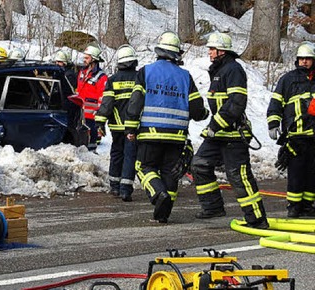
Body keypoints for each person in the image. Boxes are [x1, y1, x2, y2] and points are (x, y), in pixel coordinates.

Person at [125, 31, 209, 223]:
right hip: (177, 137)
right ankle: (163, 213)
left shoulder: (146, 72)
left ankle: (157, 193)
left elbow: (135, 102)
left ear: (159, 51)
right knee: (170, 171)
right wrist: (204, 114)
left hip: (151, 133)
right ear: (177, 54)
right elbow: (197, 110)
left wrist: (130, 129)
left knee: (144, 166)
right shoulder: (185, 77)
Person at [191, 31, 269, 229]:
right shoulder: (218, 71)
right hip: (218, 135)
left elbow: (236, 103)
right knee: (200, 164)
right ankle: (213, 206)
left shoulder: (233, 69)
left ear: (222, 51)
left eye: (212, 49)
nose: (209, 52)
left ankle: (257, 219)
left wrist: (215, 125)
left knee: (238, 175)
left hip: (233, 135)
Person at [266, 41, 315, 218]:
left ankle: (307, 205)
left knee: (312, 174)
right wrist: (273, 123)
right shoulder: (287, 80)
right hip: (295, 137)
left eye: (307, 59)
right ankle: (294, 206)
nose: (304, 62)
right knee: (296, 173)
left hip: (314, 138)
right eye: (301, 59)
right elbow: (275, 104)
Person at [96, 44, 139, 201]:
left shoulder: (112, 80)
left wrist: (100, 122)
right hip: (133, 127)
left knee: (116, 154)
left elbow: (107, 103)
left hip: (116, 126)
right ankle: (125, 189)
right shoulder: (139, 78)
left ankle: (114, 186)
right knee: (130, 156)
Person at [76, 45, 108, 151]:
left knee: (91, 143)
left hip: (92, 116)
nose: (84, 60)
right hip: (80, 114)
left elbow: (103, 97)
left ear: (94, 59)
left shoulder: (101, 77)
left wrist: (99, 114)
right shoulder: (81, 72)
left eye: (87, 58)